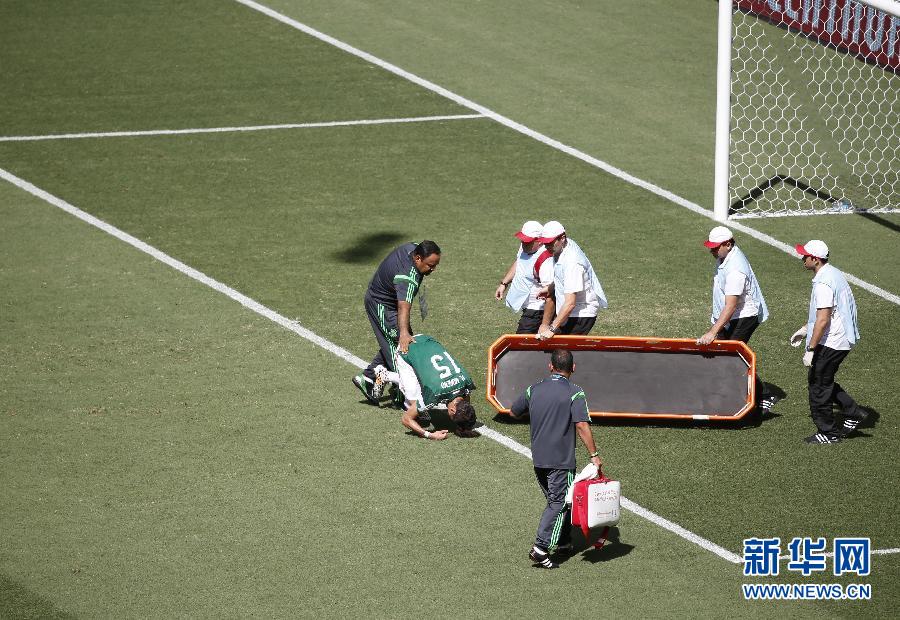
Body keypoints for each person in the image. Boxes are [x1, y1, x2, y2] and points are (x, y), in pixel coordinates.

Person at [509, 349, 603, 569]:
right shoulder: (575, 393)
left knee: (559, 500)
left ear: (550, 366)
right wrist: (594, 455)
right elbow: (581, 425)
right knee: (558, 502)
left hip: (539, 459)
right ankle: (541, 548)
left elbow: (514, 411)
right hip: (561, 461)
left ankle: (563, 541)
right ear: (573, 368)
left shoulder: (534, 389)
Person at [792, 240, 867, 445]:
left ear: (815, 259)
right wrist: (806, 329)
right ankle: (853, 412)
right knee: (822, 379)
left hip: (833, 341)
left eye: (805, 256)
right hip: (839, 338)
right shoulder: (832, 273)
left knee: (818, 385)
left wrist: (811, 348)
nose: (802, 258)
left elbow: (824, 319)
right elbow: (830, 313)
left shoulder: (824, 283)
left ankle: (828, 432)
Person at [352, 241, 441, 404]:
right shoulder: (408, 276)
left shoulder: (413, 248)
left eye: (435, 265)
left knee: (394, 343)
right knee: (402, 350)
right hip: (382, 305)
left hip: (388, 301)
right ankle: (406, 398)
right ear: (418, 258)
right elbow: (403, 307)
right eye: (430, 265)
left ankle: (368, 378)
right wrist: (404, 333)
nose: (433, 269)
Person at [696, 226, 773, 412]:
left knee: (733, 357)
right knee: (726, 356)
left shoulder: (735, 270)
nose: (712, 251)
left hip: (744, 316)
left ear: (728, 244)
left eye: (715, 247)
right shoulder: (725, 256)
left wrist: (713, 331)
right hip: (730, 315)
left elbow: (731, 305)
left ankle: (761, 396)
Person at [374, 334, 478, 439]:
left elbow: (466, 399)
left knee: (422, 386)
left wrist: (464, 427)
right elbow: (406, 419)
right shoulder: (434, 394)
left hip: (427, 340)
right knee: (414, 403)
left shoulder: (466, 383)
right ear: (452, 410)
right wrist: (430, 435)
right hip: (407, 348)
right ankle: (384, 375)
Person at [535, 221, 608, 340]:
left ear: (562, 238)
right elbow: (564, 277)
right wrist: (551, 287)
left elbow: (570, 303)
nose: (547, 247)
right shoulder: (563, 247)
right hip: (571, 312)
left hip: (580, 314)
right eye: (545, 243)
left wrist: (552, 328)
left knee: (562, 353)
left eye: (550, 243)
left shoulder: (572, 262)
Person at [495, 221, 555, 334]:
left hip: (537, 310)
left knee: (522, 344)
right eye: (522, 240)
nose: (523, 244)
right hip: (529, 308)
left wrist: (545, 323)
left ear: (540, 241)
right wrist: (504, 283)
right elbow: (520, 262)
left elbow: (551, 292)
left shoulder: (546, 260)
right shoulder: (526, 247)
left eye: (527, 241)